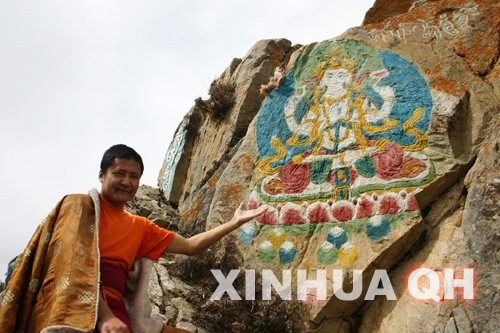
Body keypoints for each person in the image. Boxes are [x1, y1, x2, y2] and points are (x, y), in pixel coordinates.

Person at [0, 144, 266, 333]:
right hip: (71, 304)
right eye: (119, 174)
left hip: (115, 307)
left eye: (134, 176)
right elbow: (72, 264)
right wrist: (104, 318)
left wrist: (234, 223)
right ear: (102, 175)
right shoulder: (79, 206)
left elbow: (190, 246)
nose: (126, 181)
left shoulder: (140, 226)